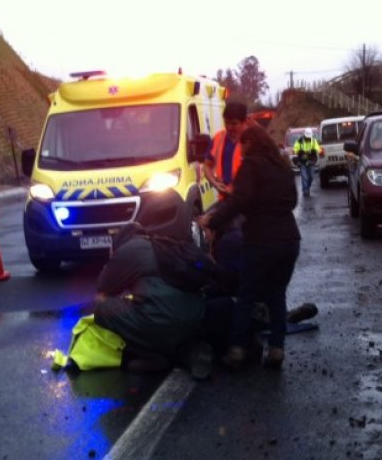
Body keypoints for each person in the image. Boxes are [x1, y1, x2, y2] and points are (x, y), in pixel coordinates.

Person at [200, 124, 300, 369]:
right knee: (277, 294)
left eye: (242, 147)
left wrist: (213, 220)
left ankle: (237, 350)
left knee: (246, 295)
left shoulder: (251, 166)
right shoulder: (283, 166)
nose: (241, 153)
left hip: (262, 241)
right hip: (289, 241)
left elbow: (238, 201)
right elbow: (293, 200)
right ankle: (277, 349)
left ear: (249, 144)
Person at [94, 190, 212, 378]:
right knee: (165, 316)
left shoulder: (128, 250)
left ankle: (151, 354)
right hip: (196, 315)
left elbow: (102, 293)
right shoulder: (161, 244)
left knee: (103, 309)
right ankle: (188, 351)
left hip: (162, 317)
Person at [203, 102, 247, 199]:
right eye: (227, 122)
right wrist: (214, 183)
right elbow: (206, 165)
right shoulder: (218, 138)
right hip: (225, 199)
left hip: (247, 202)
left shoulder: (252, 140)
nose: (229, 127)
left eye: (234, 123)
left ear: (244, 122)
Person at [293, 127, 321, 198]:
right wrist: (301, 153)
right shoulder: (299, 141)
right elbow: (295, 150)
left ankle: (307, 187)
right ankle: (306, 190)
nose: (308, 138)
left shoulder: (313, 141)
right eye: (307, 137)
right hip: (302, 162)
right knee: (304, 177)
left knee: (311, 176)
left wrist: (319, 152)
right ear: (304, 135)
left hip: (311, 161)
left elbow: (318, 149)